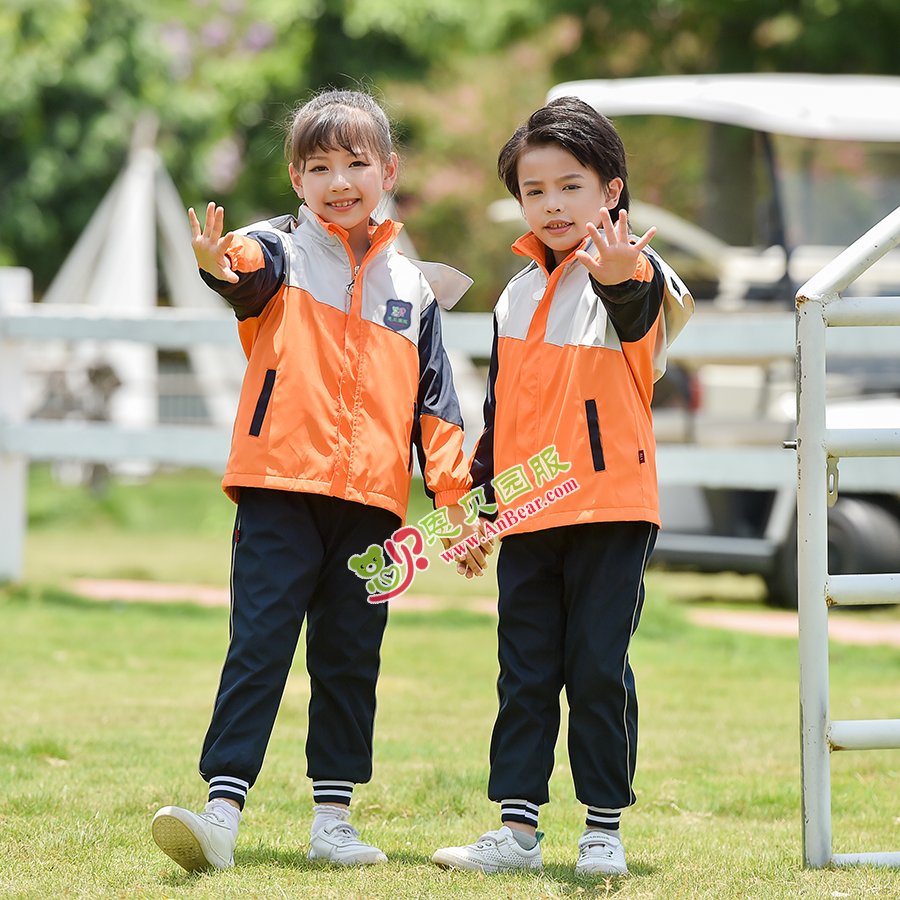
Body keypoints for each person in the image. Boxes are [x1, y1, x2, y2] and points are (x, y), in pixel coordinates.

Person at [151, 89, 487, 873]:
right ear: (296, 179)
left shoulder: (414, 290)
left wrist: (454, 506)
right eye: (320, 167)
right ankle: (221, 813)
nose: (340, 181)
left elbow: (437, 412)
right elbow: (243, 270)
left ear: (388, 170)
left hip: (372, 508)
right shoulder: (278, 252)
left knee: (349, 658)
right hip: (277, 492)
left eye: (356, 164)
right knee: (259, 645)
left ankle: (333, 821)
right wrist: (217, 262)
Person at [431, 96, 693, 877]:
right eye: (534, 189)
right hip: (530, 512)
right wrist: (477, 512)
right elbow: (500, 417)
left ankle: (603, 831)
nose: (551, 203)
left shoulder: (638, 270)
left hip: (613, 507)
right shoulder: (512, 296)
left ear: (611, 189)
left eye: (571, 185)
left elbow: (641, 310)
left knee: (596, 666)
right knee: (526, 671)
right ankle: (515, 833)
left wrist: (619, 277)